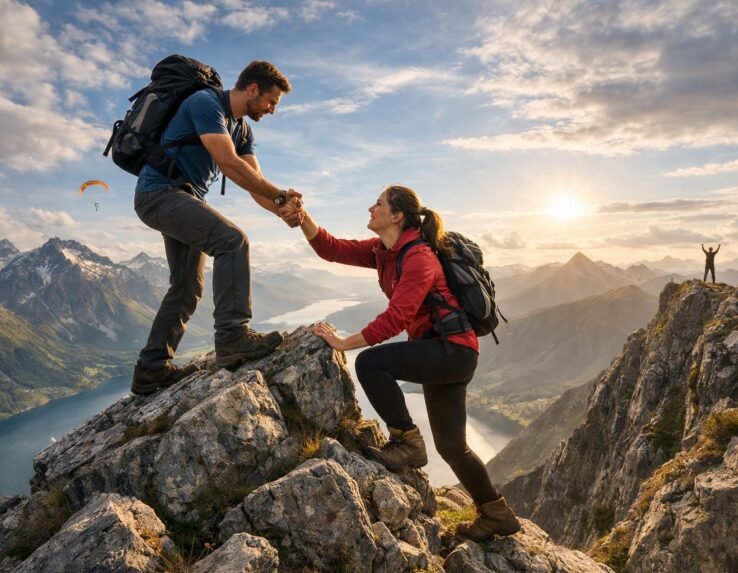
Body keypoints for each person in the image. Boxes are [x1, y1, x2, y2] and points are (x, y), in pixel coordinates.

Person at [285, 184, 521, 541]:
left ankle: (407, 441)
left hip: (451, 350)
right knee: (452, 446)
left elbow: (398, 316)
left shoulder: (419, 256)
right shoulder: (385, 251)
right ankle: (497, 513)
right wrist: (302, 218)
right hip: (447, 351)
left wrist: (344, 342)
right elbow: (332, 248)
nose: (370, 208)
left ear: (397, 215)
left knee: (370, 363)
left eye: (377, 204)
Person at [131, 60, 302, 396]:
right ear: (252, 89)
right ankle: (233, 337)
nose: (272, 110)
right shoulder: (206, 103)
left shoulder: (243, 130)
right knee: (232, 241)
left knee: (186, 286)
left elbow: (254, 184)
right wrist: (281, 197)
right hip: (158, 193)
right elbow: (228, 163)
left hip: (183, 197)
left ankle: (151, 371)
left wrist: (282, 210)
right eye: (271, 101)